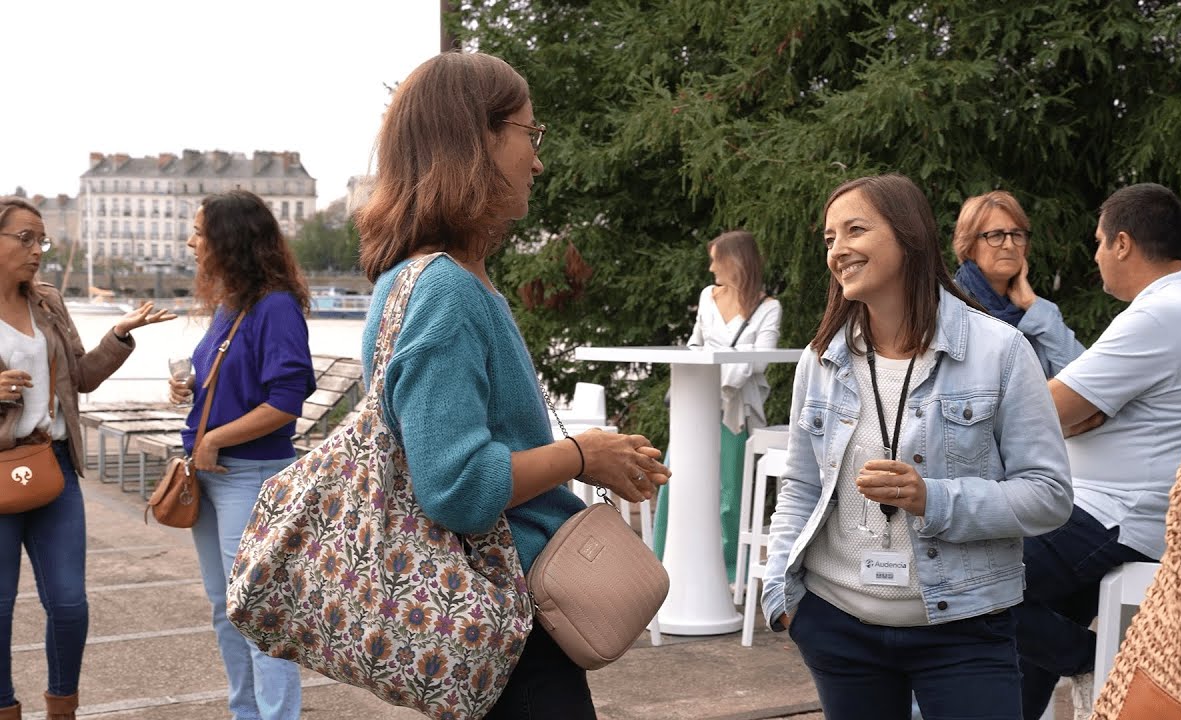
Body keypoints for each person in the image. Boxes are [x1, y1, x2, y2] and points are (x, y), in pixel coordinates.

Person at [355, 52, 670, 720]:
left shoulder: (428, 279)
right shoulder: (445, 289)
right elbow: (458, 487)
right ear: (477, 140)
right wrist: (586, 456)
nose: (538, 160)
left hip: (484, 621)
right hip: (504, 628)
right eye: (531, 135)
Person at [761, 174, 1073, 719]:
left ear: (908, 236)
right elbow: (802, 486)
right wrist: (783, 601)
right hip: (838, 628)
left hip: (964, 630)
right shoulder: (822, 360)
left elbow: (1048, 496)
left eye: (855, 230)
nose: (838, 250)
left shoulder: (1000, 351)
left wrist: (934, 498)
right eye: (830, 238)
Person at [1013, 183, 1181, 720]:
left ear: (1122, 242)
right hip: (1113, 512)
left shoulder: (1162, 314)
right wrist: (1083, 414)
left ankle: (1100, 662)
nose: (1094, 257)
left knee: (959, 576)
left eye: (1097, 242)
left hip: (1112, 518)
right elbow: (1081, 408)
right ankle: (1078, 664)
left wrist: (1071, 413)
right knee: (1017, 657)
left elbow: (1045, 409)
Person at [0, 196, 174, 720]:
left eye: (42, 240)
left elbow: (80, 377)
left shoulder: (48, 301)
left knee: (71, 605)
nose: (37, 250)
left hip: (52, 464)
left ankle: (62, 709)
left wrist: (118, 336)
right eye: (25, 238)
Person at [168, 190, 315, 720]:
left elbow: (286, 402)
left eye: (200, 232)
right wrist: (192, 389)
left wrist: (214, 438)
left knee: (256, 615)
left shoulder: (275, 307)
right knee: (223, 610)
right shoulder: (233, 306)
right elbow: (236, 381)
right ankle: (245, 714)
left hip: (248, 476)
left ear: (230, 240)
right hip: (214, 478)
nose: (191, 241)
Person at [653, 230, 782, 578]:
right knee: (673, 482)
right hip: (694, 406)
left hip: (735, 411)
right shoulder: (707, 297)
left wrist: (718, 384)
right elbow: (696, 345)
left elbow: (759, 360)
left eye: (716, 260)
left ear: (735, 262)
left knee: (729, 493)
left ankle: (726, 572)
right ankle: (665, 564)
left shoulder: (768, 308)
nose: (711, 268)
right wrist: (705, 385)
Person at [952, 190, 1084, 377]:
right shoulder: (948, 304)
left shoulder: (1040, 315)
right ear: (969, 245)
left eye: (1017, 234)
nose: (1010, 245)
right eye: (996, 235)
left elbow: (1083, 380)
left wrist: (1031, 304)